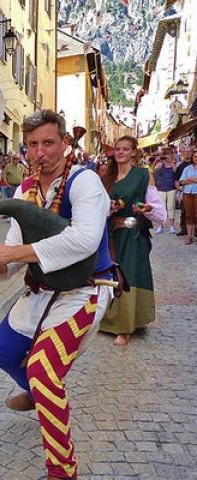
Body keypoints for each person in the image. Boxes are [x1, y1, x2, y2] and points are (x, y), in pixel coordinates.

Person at [0, 110, 114, 480]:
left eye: (48, 142)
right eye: (33, 144)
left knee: (43, 370)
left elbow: (84, 240)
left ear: (65, 144)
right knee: (1, 351)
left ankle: (62, 471)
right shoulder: (25, 190)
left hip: (85, 291)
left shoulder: (85, 183)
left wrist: (12, 255)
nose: (40, 152)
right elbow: (16, 250)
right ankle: (37, 394)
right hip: (42, 290)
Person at [99, 136, 166, 346]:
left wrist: (146, 209)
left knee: (129, 277)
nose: (120, 152)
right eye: (118, 149)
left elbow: (159, 211)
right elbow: (97, 207)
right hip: (112, 233)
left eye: (125, 149)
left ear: (133, 152)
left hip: (134, 234)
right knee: (110, 275)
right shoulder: (106, 176)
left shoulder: (143, 175)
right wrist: (110, 208)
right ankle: (109, 319)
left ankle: (125, 328)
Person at [153, 149, 178, 234]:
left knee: (171, 207)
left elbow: (176, 173)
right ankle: (161, 226)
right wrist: (156, 161)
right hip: (161, 188)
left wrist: (172, 163)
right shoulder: (160, 165)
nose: (167, 156)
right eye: (166, 155)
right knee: (161, 207)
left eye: (169, 154)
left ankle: (171, 226)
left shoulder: (174, 165)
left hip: (171, 188)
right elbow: (153, 171)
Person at [178, 149, 197, 244]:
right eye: (195, 156)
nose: (196, 158)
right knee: (189, 215)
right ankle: (189, 236)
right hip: (187, 193)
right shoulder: (187, 169)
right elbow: (181, 182)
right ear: (192, 158)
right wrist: (192, 180)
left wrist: (191, 179)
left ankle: (195, 235)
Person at [174, 150, 193, 236]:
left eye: (189, 152)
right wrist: (179, 189)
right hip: (184, 190)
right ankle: (184, 229)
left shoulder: (194, 165)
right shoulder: (180, 166)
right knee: (184, 211)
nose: (187, 154)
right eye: (186, 152)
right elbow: (176, 179)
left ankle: (194, 230)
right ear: (182, 154)